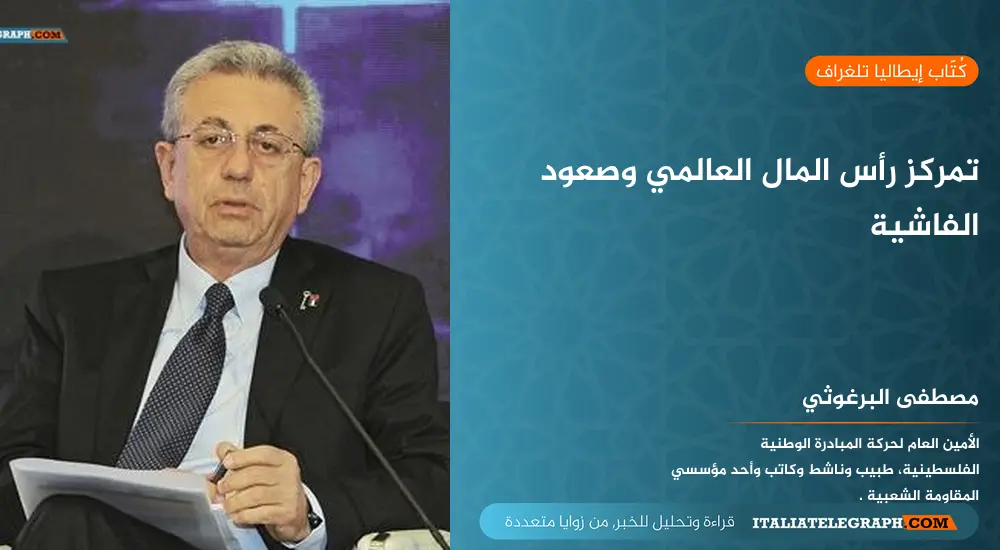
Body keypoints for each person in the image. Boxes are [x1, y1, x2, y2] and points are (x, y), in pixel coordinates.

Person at [0, 40, 449, 550]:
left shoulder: (375, 308)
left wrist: (306, 507)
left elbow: (430, 476)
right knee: (73, 518)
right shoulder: (77, 305)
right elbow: (10, 470)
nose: (239, 167)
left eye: (268, 145)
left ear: (305, 183)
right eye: (213, 139)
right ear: (169, 168)